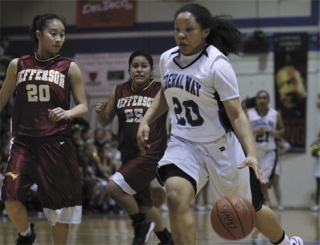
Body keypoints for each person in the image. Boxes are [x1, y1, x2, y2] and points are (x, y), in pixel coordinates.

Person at [136, 3, 303, 245]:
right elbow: (165, 93)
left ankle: (286, 243)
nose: (181, 35)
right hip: (184, 144)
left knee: (251, 209)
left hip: (220, 147)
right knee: (174, 197)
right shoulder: (167, 59)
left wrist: (252, 154)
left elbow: (236, 115)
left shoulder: (217, 64)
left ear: (205, 32)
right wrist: (147, 119)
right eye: (177, 29)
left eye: (189, 29)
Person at [0, 14, 88, 245]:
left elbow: (83, 106)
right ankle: (27, 235)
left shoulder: (69, 67)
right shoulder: (17, 64)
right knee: (9, 197)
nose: (59, 39)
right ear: (39, 34)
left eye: (62, 34)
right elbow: (1, 100)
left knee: (59, 210)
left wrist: (67, 113)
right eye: (53, 33)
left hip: (56, 144)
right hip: (23, 143)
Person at [95, 50, 173, 245]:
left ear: (151, 69)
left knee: (114, 188)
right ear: (129, 69)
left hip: (151, 151)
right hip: (128, 153)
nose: (139, 70)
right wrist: (100, 114)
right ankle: (166, 239)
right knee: (144, 205)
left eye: (144, 66)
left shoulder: (160, 89)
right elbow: (105, 122)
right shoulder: (118, 90)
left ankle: (141, 225)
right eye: (135, 66)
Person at [247, 90, 285, 208]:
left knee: (264, 180)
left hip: (269, 152)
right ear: (256, 100)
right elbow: (242, 130)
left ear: (268, 100)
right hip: (254, 151)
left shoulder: (275, 114)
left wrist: (276, 132)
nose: (262, 100)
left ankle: (265, 204)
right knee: (255, 180)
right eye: (259, 98)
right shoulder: (249, 113)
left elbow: (282, 129)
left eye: (264, 98)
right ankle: (263, 204)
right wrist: (253, 131)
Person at [309, 133, 320, 212]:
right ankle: (316, 204)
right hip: (318, 167)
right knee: (318, 186)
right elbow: (313, 154)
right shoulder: (316, 144)